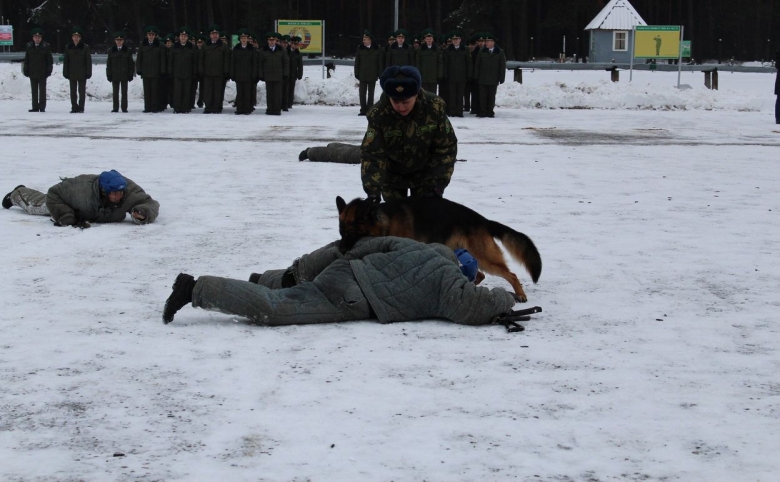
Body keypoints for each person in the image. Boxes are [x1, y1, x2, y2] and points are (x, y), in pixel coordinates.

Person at [161, 236, 533, 331]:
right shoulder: (451, 282)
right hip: (352, 298)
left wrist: (347, 264)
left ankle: (264, 280)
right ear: (465, 272)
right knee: (273, 311)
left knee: (287, 288)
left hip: (345, 273)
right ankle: (194, 288)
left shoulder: (419, 247)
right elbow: (470, 307)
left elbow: (366, 244)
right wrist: (504, 300)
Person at [361, 65, 457, 201]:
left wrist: (438, 184)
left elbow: (445, 148)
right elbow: (373, 154)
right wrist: (373, 191)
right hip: (392, 177)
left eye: (406, 102)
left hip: (426, 176)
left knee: (423, 218)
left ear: (416, 95)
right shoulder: (379, 114)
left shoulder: (434, 108)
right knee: (395, 220)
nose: (401, 107)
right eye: (395, 101)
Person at [2, 170, 159, 227]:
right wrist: (65, 215)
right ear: (103, 191)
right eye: (114, 193)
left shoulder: (128, 191)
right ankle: (17, 194)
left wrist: (143, 212)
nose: (118, 197)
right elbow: (53, 193)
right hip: (66, 201)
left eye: (120, 193)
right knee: (38, 206)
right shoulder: (80, 190)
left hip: (86, 210)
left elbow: (150, 203)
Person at [198, 25, 230, 114]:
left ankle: (217, 107)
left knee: (218, 91)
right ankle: (208, 107)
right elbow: (201, 59)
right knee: (208, 91)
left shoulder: (223, 46)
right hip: (207, 72)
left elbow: (226, 59)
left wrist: (226, 71)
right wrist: (201, 70)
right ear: (210, 35)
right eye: (213, 34)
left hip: (219, 73)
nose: (214, 35)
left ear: (218, 35)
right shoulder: (205, 46)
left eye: (216, 34)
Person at [473, 32, 506, 118]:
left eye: (488, 41)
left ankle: (490, 111)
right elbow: (477, 65)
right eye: (486, 41)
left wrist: (501, 77)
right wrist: (476, 76)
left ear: (493, 42)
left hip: (493, 78)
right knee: (482, 96)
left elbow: (502, 66)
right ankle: (483, 111)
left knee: (491, 96)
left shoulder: (500, 52)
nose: (486, 43)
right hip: (482, 78)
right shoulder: (481, 51)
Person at [136, 25, 166, 113]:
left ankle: (154, 107)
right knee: (147, 90)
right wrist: (139, 69)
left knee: (155, 90)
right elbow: (139, 58)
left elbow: (162, 59)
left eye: (153, 34)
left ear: (155, 35)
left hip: (156, 71)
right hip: (146, 71)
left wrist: (162, 70)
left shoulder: (159, 45)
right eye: (149, 34)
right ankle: (147, 107)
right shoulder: (142, 44)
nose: (151, 36)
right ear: (147, 35)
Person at [22, 27, 53, 113]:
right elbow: (27, 59)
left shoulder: (46, 46)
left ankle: (42, 107)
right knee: (34, 91)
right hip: (32, 72)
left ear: (41, 38)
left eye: (39, 37)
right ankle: (35, 107)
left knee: (42, 91)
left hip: (42, 72)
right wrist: (26, 70)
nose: (37, 39)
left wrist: (49, 70)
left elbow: (49, 60)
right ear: (33, 38)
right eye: (35, 37)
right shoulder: (29, 46)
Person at [229, 28, 259, 115]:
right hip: (239, 74)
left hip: (248, 75)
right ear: (240, 39)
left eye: (245, 38)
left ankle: (247, 109)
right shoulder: (236, 49)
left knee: (247, 93)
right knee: (240, 92)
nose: (244, 40)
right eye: (242, 38)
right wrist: (232, 73)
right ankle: (240, 108)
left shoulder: (251, 49)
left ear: (247, 39)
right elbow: (233, 62)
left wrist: (254, 74)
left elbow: (254, 63)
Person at [354, 30, 383, 116]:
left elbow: (379, 63)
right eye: (363, 39)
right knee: (362, 93)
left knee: (371, 93)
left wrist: (379, 73)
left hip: (372, 74)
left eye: (365, 39)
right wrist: (357, 73)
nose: (364, 41)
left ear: (370, 40)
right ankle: (363, 109)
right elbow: (357, 62)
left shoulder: (377, 49)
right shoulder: (360, 49)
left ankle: (370, 108)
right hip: (362, 74)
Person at [443, 31, 472, 118]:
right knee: (452, 95)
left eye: (457, 39)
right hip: (451, 76)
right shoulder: (448, 50)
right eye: (453, 39)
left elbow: (469, 63)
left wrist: (469, 74)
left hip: (462, 76)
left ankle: (459, 111)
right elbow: (446, 63)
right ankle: (452, 111)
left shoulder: (465, 49)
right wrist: (445, 74)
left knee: (460, 94)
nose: (455, 41)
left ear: (460, 40)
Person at [63, 27, 92, 113]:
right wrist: (65, 72)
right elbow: (66, 61)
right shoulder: (68, 47)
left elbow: (88, 61)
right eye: (74, 37)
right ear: (72, 38)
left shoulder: (85, 47)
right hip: (72, 73)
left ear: (80, 38)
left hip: (82, 73)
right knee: (73, 92)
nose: (76, 38)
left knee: (81, 91)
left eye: (77, 37)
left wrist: (88, 72)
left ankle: (81, 107)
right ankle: (74, 107)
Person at [106, 31, 135, 113]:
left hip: (124, 74)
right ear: (115, 41)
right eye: (117, 40)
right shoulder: (111, 51)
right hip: (115, 74)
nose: (119, 42)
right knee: (115, 93)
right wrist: (109, 74)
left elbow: (131, 64)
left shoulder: (127, 51)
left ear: (123, 41)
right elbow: (109, 64)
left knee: (124, 92)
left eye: (121, 40)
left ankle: (124, 108)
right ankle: (115, 108)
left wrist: (130, 74)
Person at [260, 31, 289, 115]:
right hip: (268, 75)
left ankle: (276, 109)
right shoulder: (263, 51)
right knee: (269, 93)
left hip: (278, 75)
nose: (271, 41)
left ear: (276, 41)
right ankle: (270, 109)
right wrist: (261, 75)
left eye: (273, 40)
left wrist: (285, 74)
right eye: (270, 40)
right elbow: (261, 63)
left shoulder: (282, 50)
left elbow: (286, 63)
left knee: (277, 94)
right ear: (267, 41)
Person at [169, 27, 196, 114]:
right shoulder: (174, 47)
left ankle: (185, 108)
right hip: (177, 73)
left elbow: (194, 61)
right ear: (179, 37)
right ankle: (177, 108)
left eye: (185, 36)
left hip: (188, 73)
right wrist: (170, 72)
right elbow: (170, 61)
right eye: (182, 36)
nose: (183, 37)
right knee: (177, 91)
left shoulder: (192, 47)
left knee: (186, 91)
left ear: (187, 37)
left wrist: (194, 72)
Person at [415, 28, 442, 94]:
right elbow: (418, 62)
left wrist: (439, 75)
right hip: (423, 77)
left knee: (433, 94)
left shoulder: (437, 49)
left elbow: (440, 63)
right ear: (425, 39)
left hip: (433, 76)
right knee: (424, 94)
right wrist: (418, 74)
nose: (429, 40)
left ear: (432, 39)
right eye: (427, 39)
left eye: (430, 39)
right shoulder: (420, 49)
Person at [285, 35, 304, 110]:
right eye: (294, 44)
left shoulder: (298, 54)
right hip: (285, 73)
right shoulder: (286, 51)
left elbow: (300, 65)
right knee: (284, 89)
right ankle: (284, 103)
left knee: (291, 89)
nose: (296, 46)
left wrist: (300, 74)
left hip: (293, 74)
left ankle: (289, 103)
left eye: (297, 45)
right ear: (291, 44)